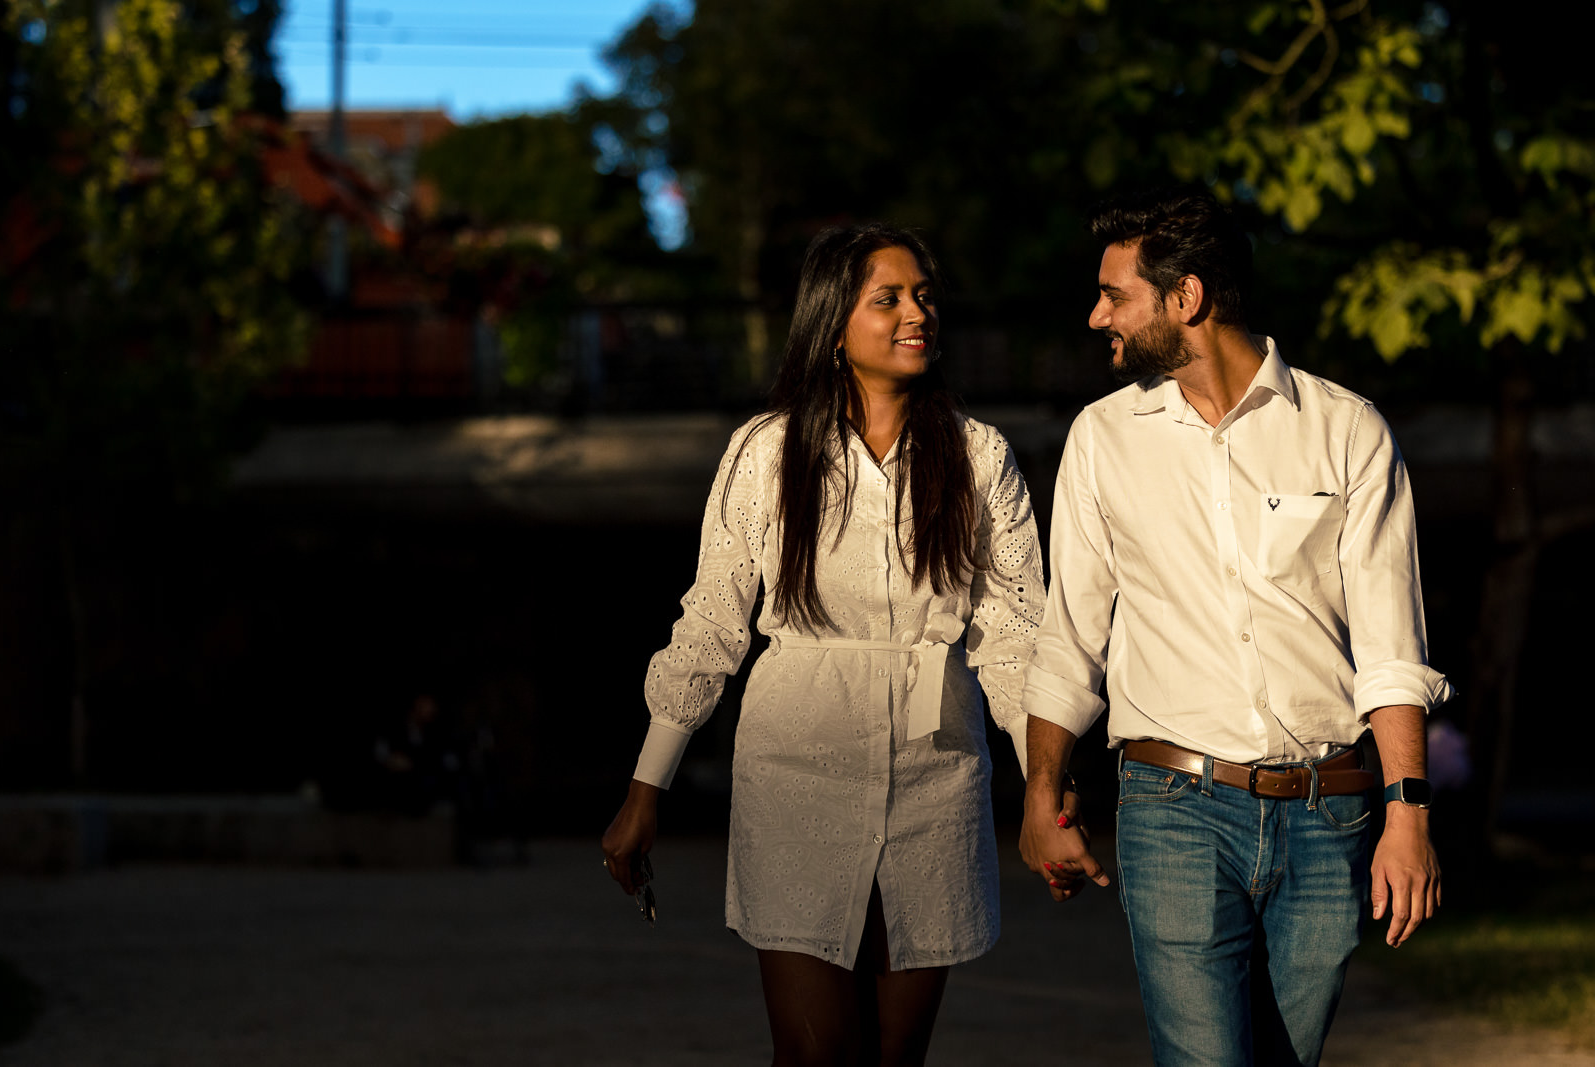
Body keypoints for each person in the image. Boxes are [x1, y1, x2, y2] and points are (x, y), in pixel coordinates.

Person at [1018, 187, 1453, 1066]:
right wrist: (1039, 793)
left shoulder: (1346, 430)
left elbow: (1390, 645)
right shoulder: (1102, 439)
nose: (1097, 312)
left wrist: (1408, 816)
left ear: (1188, 299)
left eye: (1117, 294)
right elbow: (1071, 637)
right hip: (1172, 805)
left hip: (1331, 811)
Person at [602, 223, 1045, 1066]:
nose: (917, 312)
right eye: (889, 298)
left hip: (937, 779)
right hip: (794, 776)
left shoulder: (979, 456)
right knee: (813, 1055)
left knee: (895, 1057)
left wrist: (1042, 787)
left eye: (923, 295)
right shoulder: (767, 453)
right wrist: (646, 785)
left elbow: (1017, 637)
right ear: (831, 323)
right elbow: (710, 625)